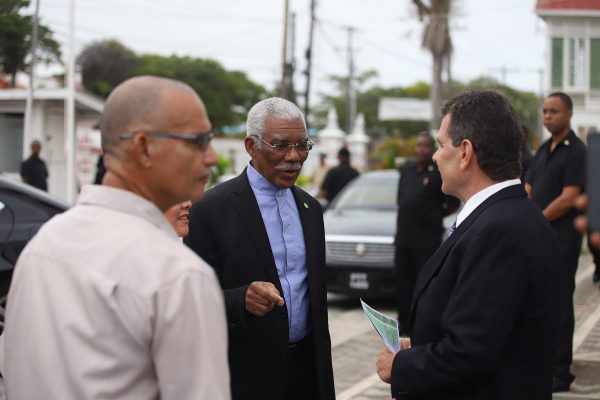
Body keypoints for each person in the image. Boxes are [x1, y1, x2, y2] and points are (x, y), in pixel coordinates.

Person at [3, 76, 230, 399]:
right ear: (144, 147)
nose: (211, 157)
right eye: (198, 141)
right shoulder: (176, 275)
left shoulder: (44, 244)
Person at [376, 90, 561, 399]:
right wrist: (422, 343)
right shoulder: (504, 215)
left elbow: (469, 353)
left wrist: (402, 366)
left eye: (440, 144)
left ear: (465, 152)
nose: (435, 156)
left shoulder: (499, 230)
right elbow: (482, 325)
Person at [185, 97, 335, 400]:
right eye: (280, 145)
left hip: (307, 372)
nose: (294, 156)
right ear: (251, 146)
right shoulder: (210, 209)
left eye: (303, 145)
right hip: (245, 375)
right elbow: (190, 298)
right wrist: (240, 299)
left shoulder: (311, 208)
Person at [525, 91, 587, 392]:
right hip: (538, 240)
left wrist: (536, 219)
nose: (548, 116)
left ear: (569, 114)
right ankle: (541, 364)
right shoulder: (542, 150)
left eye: (554, 111)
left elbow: (569, 197)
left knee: (560, 306)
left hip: (561, 242)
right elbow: (529, 186)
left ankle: (561, 372)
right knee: (538, 304)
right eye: (545, 111)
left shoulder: (576, 151)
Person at [394, 132, 459, 335]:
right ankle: (403, 327)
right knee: (403, 285)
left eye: (425, 146)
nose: (421, 149)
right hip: (403, 239)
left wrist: (432, 215)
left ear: (431, 149)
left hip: (426, 242)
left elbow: (452, 203)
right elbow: (401, 199)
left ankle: (420, 327)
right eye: (418, 145)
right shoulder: (407, 170)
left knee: (423, 286)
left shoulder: (438, 172)